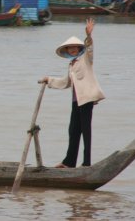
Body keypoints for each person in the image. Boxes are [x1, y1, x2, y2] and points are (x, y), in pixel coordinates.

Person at [41, 18, 105, 168]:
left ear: (78, 48)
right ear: (67, 51)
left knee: (85, 131)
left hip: (87, 99)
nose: (72, 50)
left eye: (74, 47)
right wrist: (48, 80)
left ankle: (86, 163)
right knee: (73, 130)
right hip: (76, 101)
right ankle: (69, 162)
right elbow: (66, 82)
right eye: (70, 48)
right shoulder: (71, 65)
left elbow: (89, 48)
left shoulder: (86, 59)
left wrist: (89, 36)